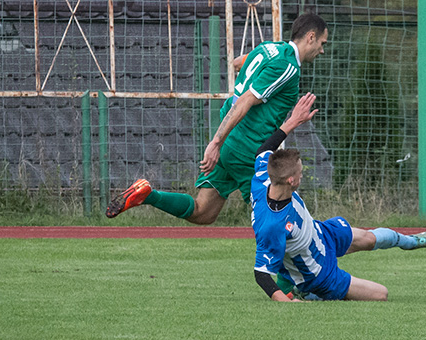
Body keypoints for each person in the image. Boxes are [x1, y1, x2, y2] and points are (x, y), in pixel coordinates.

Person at [106, 13, 329, 224]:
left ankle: (147, 194)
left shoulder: (270, 48)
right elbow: (246, 101)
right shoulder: (288, 67)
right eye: (322, 43)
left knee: (203, 212)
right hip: (247, 149)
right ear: (310, 37)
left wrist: (221, 141)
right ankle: (289, 263)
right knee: (279, 213)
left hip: (230, 140)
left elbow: (238, 62)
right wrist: (215, 143)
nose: (322, 51)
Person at [252, 93, 426, 302]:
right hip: (319, 275)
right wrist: (286, 302)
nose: (303, 175)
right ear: (291, 181)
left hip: (322, 233)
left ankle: (412, 241)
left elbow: (263, 150)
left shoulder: (264, 176)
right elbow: (262, 273)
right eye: (301, 174)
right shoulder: (271, 225)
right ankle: (308, 292)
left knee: (369, 238)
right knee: (381, 294)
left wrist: (293, 121)